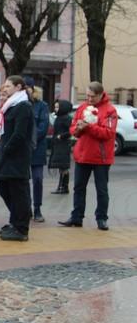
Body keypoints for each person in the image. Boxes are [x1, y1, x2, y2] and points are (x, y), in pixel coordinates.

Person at [59, 81, 118, 230]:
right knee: (78, 188)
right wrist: (77, 129)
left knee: (101, 190)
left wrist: (89, 127)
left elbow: (108, 133)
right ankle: (76, 217)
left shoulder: (110, 110)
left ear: (100, 95)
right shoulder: (82, 107)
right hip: (83, 155)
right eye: (87, 96)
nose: (89, 99)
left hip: (101, 158)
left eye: (92, 96)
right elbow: (73, 128)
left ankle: (101, 218)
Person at [0, 76, 35, 242]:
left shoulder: (23, 106)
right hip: (7, 154)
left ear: (18, 87)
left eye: (8, 86)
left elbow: (19, 134)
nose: (5, 88)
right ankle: (15, 221)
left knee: (18, 192)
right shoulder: (11, 105)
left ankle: (21, 228)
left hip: (17, 156)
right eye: (5, 86)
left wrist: (6, 149)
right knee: (5, 189)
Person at [26, 81, 50, 222]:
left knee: (37, 179)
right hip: (23, 148)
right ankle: (26, 208)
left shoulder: (42, 106)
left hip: (37, 148)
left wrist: (31, 140)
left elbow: (43, 127)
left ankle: (37, 209)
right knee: (23, 180)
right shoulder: (20, 104)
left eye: (28, 88)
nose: (26, 91)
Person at [49, 100, 73, 194]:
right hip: (58, 144)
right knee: (61, 166)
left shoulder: (66, 118)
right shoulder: (59, 117)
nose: (55, 109)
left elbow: (71, 131)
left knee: (63, 166)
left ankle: (63, 187)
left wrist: (61, 136)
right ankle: (61, 186)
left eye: (57, 107)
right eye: (55, 107)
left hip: (63, 144)